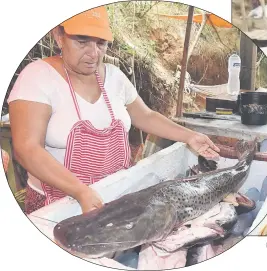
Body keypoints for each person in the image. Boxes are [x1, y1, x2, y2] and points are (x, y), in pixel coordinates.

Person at [7, 6, 220, 215]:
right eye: (81, 42)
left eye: (101, 43)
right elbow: (27, 149)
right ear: (59, 36)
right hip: (58, 204)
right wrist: (80, 191)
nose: (93, 53)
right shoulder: (37, 77)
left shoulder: (115, 77)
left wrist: (190, 136)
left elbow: (145, 116)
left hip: (114, 193)